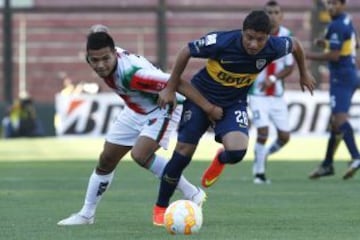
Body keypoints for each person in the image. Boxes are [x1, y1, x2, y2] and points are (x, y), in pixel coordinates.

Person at [153, 10, 315, 226]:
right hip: (201, 97)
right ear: (242, 32)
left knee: (237, 152)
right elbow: (185, 51)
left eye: (260, 39)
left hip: (234, 102)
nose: (254, 44)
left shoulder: (274, 46)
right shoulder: (221, 42)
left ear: (268, 37)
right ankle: (161, 206)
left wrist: (304, 72)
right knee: (183, 152)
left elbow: (295, 44)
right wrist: (171, 88)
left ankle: (221, 158)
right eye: (249, 37)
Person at [57, 30, 222, 226]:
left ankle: (192, 193)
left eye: (105, 59)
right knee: (106, 159)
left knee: (140, 155)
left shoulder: (133, 74)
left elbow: (176, 83)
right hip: (135, 109)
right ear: (88, 58)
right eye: (95, 60)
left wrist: (208, 108)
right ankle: (86, 214)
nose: (100, 64)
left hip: (163, 108)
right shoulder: (105, 58)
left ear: (114, 54)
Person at [307, 0, 360, 180]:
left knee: (340, 118)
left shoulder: (337, 24)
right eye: (329, 3)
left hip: (341, 77)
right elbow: (353, 44)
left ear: (343, 5)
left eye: (335, 3)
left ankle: (356, 157)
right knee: (335, 123)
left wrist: (306, 55)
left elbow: (334, 56)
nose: (331, 6)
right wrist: (326, 42)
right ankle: (327, 164)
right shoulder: (346, 19)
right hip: (351, 73)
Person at [248, 0, 295, 184]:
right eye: (269, 12)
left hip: (276, 96)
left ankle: (263, 155)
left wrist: (273, 79)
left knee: (284, 137)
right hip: (257, 94)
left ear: (281, 16)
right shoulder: (255, 36)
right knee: (263, 132)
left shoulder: (286, 36)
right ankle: (259, 173)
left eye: (276, 12)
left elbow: (290, 67)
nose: (272, 16)